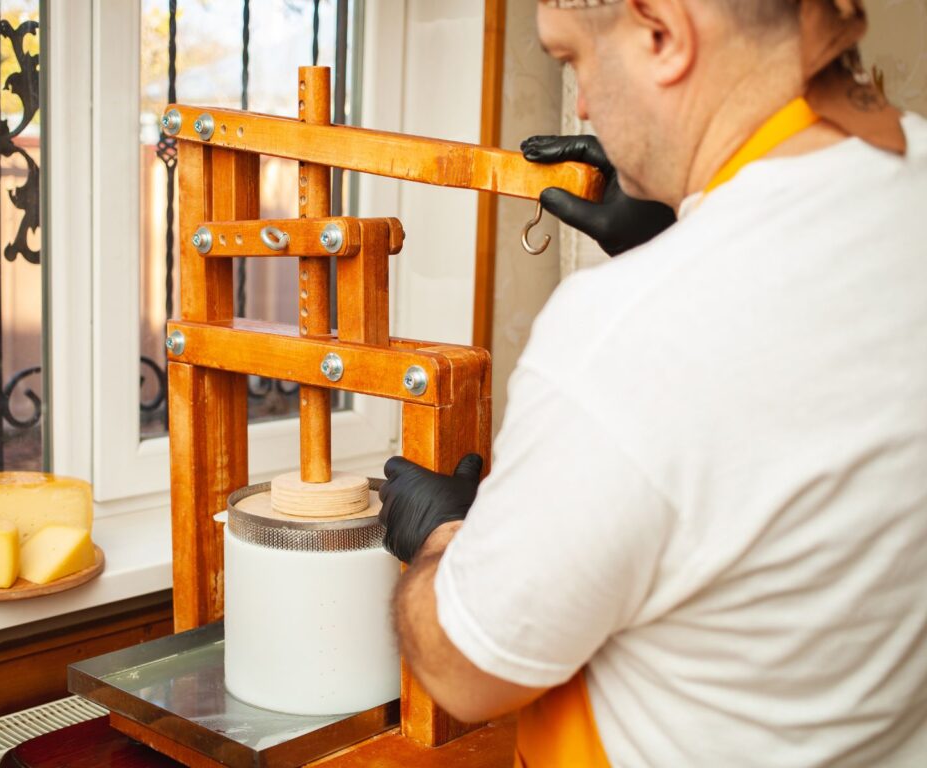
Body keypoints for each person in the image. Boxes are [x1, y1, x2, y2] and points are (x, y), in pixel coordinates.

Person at [378, 0, 927, 765]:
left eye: (572, 59)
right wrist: (686, 229)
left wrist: (439, 541)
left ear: (662, 34)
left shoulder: (624, 332)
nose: (581, 101)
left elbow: (466, 675)